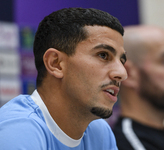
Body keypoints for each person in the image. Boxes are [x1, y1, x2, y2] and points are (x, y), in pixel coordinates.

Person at [0, 7, 127, 150]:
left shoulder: (99, 131)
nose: (122, 73)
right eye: (103, 55)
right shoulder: (19, 132)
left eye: (121, 61)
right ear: (56, 64)